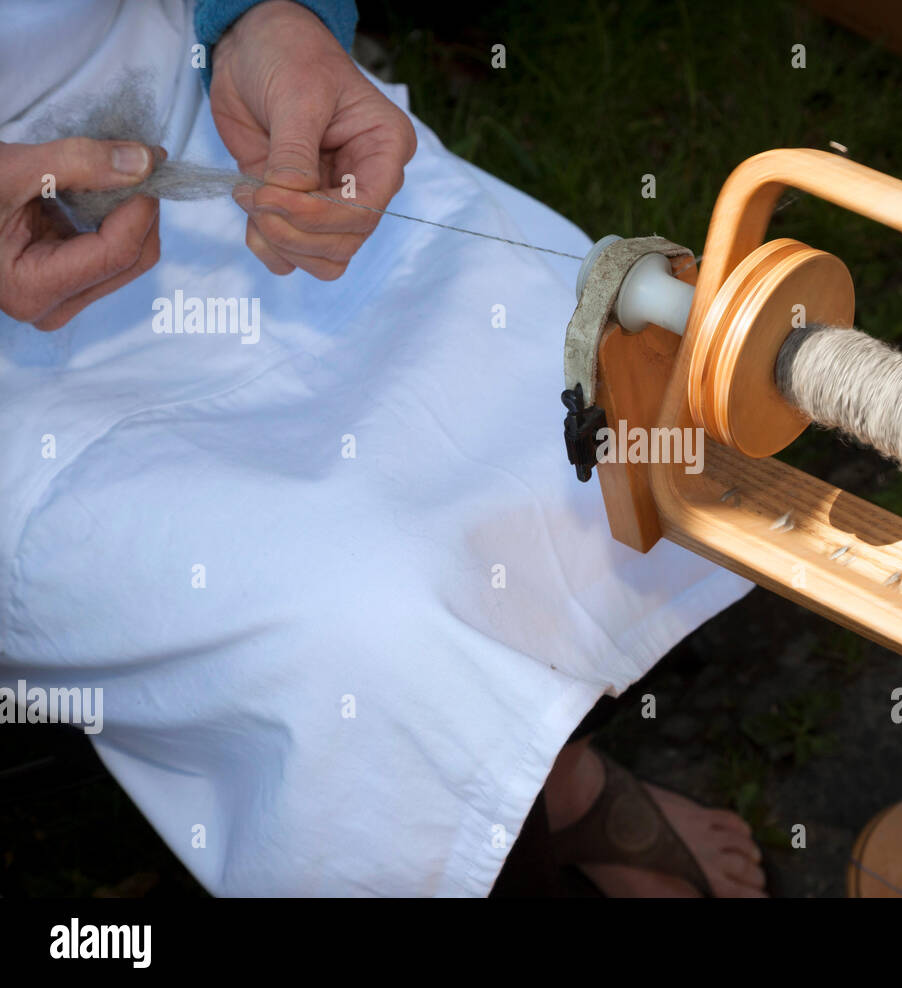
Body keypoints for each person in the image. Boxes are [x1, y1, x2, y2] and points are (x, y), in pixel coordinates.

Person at [0, 0, 763, 896]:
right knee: (362, 627)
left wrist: (264, 22)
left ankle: (552, 771)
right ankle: (504, 806)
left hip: (205, 118)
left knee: (585, 407)